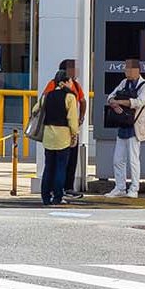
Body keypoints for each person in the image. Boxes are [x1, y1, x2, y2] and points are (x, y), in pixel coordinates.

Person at [33, 69, 79, 207]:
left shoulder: (47, 95)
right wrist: (74, 134)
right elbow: (72, 119)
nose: (72, 83)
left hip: (48, 135)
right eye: (70, 81)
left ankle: (45, 197)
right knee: (61, 168)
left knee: (48, 167)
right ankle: (57, 197)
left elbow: (35, 110)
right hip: (63, 136)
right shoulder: (70, 97)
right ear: (65, 82)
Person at [105, 58, 145, 198]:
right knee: (118, 159)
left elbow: (140, 101)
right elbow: (110, 96)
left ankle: (134, 188)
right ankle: (120, 187)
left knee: (133, 160)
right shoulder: (124, 82)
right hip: (123, 125)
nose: (126, 71)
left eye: (129, 69)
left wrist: (120, 102)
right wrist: (113, 103)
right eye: (125, 69)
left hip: (135, 127)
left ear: (137, 70)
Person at [43, 59, 87, 198]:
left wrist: (81, 118)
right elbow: (72, 115)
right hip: (65, 133)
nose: (76, 71)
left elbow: (83, 101)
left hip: (51, 133)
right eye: (73, 68)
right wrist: (75, 131)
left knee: (64, 163)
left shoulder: (76, 85)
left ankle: (60, 190)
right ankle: (58, 192)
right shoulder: (56, 87)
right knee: (61, 165)